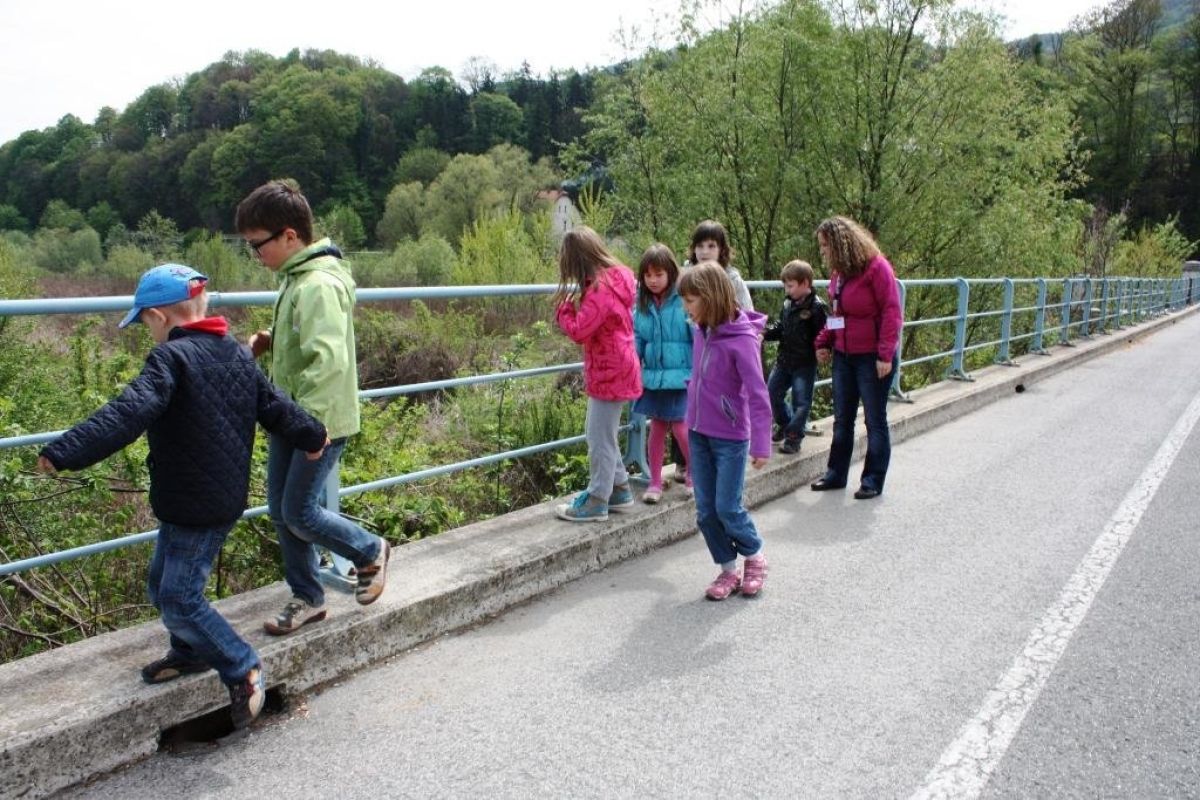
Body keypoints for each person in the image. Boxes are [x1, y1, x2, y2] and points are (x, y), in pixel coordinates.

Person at [36, 264, 329, 729]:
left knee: (179, 597)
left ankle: (241, 665)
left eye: (144, 324)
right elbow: (275, 406)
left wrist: (64, 451)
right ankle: (191, 651)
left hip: (197, 503)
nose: (148, 332)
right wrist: (313, 434)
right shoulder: (236, 355)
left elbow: (127, 412)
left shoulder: (170, 360)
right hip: (198, 497)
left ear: (158, 317)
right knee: (161, 585)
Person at [236, 180, 390, 634]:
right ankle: (307, 596)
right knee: (280, 510)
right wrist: (272, 339)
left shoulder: (317, 284)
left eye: (257, 244)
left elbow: (327, 362)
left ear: (289, 236)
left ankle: (368, 550)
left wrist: (311, 429)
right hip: (292, 416)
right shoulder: (297, 279)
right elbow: (307, 337)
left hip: (315, 422)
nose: (255, 254)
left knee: (300, 511)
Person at [678, 262, 773, 601]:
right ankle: (728, 569)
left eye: (691, 300)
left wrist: (761, 443)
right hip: (698, 432)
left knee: (727, 507)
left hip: (730, 438)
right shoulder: (701, 330)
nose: (686, 308)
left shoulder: (742, 340)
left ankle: (755, 556)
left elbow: (758, 394)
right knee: (705, 511)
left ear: (711, 297)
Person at [552, 226, 643, 522]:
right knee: (602, 433)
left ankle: (597, 500)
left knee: (598, 437)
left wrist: (564, 312)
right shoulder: (615, 280)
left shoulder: (600, 290)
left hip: (609, 370)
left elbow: (580, 330)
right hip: (618, 365)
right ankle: (619, 489)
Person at [811, 216, 903, 500]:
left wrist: (885, 355)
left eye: (825, 245)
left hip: (872, 357)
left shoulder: (877, 268)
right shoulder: (839, 275)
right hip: (844, 356)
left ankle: (872, 480)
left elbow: (892, 312)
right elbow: (838, 314)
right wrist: (824, 341)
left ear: (841, 244)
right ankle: (836, 474)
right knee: (842, 419)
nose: (822, 251)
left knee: (874, 421)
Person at [632, 243, 692, 504]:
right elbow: (638, 338)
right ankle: (655, 482)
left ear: (671, 273)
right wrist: (633, 362)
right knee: (656, 429)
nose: (653, 280)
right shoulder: (643, 304)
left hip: (681, 377)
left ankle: (694, 475)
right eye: (648, 275)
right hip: (655, 378)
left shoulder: (684, 299)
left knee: (681, 428)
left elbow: (697, 335)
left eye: (658, 274)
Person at [764, 260, 827, 455]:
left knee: (801, 402)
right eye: (785, 285)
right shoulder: (787, 303)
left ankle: (793, 437)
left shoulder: (817, 308)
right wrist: (765, 333)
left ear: (805, 283)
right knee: (771, 393)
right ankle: (784, 424)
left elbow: (824, 333)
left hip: (804, 364)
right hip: (784, 360)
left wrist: (823, 348)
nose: (787, 290)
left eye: (790, 286)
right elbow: (780, 327)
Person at [685, 219, 754, 311]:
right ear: (694, 249)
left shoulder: (733, 280)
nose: (705, 252)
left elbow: (747, 314)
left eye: (711, 246)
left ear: (721, 249)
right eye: (700, 246)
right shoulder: (685, 278)